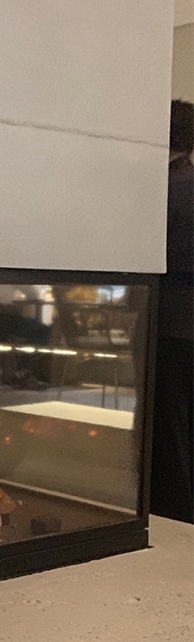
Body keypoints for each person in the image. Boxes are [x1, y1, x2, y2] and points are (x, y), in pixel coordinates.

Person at [149, 98, 193, 524]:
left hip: (167, 323)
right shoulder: (187, 182)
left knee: (167, 426)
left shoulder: (165, 189)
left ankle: (173, 510)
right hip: (186, 326)